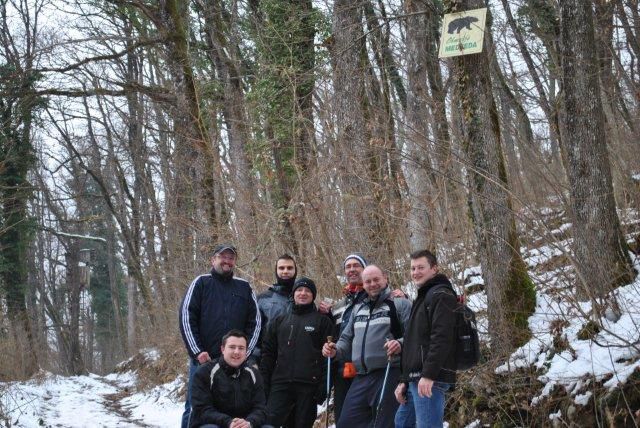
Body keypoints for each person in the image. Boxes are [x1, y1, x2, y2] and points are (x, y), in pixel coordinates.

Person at [179, 244, 262, 428]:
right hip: (204, 359)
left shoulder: (244, 287)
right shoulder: (201, 283)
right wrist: (197, 351)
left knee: (235, 408)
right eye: (222, 256)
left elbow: (255, 322)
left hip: (235, 361)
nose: (227, 261)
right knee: (195, 407)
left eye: (231, 258)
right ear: (213, 259)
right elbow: (187, 316)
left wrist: (244, 353)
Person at [322, 265, 411, 428]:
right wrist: (335, 350)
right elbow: (347, 338)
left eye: (376, 279)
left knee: (383, 424)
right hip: (361, 376)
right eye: (368, 281)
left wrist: (399, 343)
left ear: (385, 278)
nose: (372, 284)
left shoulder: (400, 304)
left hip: (389, 372)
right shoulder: (358, 309)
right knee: (346, 423)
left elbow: (415, 336)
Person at [260, 277, 334, 428]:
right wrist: (264, 382)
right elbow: (268, 354)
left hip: (308, 386)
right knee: (269, 423)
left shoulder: (323, 321)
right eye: (299, 290)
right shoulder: (279, 321)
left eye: (307, 291)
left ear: (313, 295)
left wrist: (323, 387)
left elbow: (329, 357)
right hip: (280, 384)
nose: (303, 293)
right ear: (293, 294)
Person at [394, 250, 457, 428]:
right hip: (415, 377)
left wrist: (429, 375)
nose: (415, 272)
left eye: (421, 267)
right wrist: (405, 380)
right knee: (402, 422)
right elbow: (414, 343)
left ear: (434, 269)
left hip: (430, 378)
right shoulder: (423, 296)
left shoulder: (441, 295)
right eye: (413, 268)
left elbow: (442, 338)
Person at [317, 253, 369, 422]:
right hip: (342, 371)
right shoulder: (339, 306)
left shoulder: (374, 297)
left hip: (367, 370)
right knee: (343, 419)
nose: (352, 269)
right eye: (348, 266)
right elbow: (335, 334)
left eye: (356, 265)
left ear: (365, 269)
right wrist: (325, 315)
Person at [189, 330, 271, 428]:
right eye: (232, 347)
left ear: (246, 351)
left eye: (241, 348)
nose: (236, 352)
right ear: (223, 349)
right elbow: (201, 409)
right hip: (216, 424)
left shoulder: (254, 374)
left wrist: (249, 422)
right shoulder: (205, 372)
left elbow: (261, 408)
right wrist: (228, 422)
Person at [257, 254, 297, 329]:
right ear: (276, 271)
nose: (285, 271)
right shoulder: (262, 299)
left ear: (295, 270)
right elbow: (253, 328)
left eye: (289, 268)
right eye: (281, 268)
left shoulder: (304, 297)